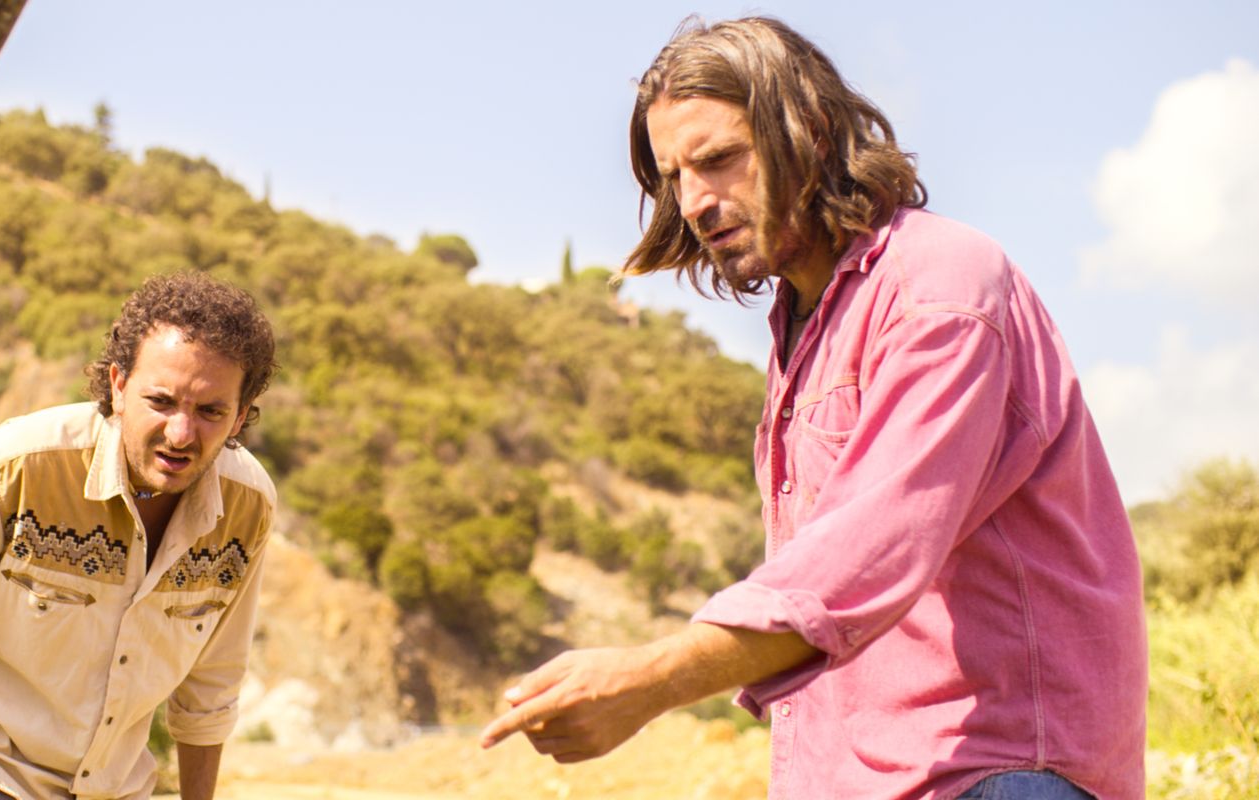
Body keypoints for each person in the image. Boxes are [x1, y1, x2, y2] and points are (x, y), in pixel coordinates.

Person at [480, 16, 1145, 800]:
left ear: (812, 132)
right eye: (674, 177)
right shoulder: (807, 324)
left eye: (718, 160)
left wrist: (652, 678)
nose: (693, 202)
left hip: (996, 773)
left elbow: (870, 550)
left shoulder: (940, 287)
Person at [0, 272, 278, 800]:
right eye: (161, 401)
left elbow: (211, 687)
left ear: (239, 416)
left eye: (210, 411)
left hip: (116, 788)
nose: (181, 433)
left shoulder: (247, 506)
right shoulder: (14, 467)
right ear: (119, 386)